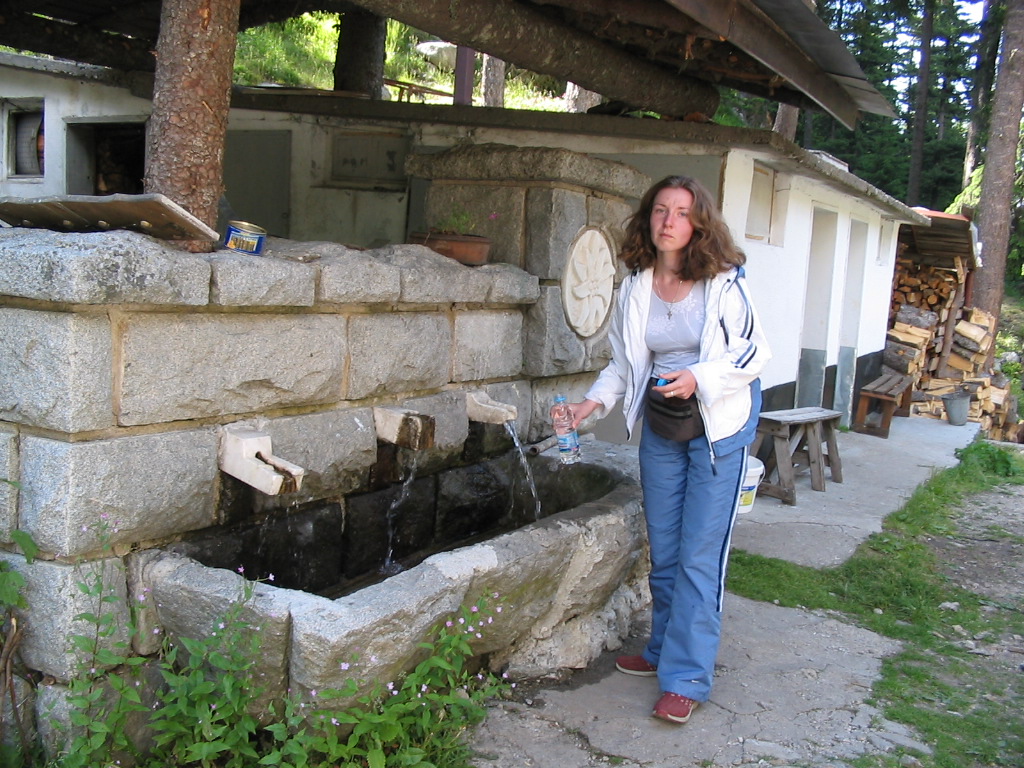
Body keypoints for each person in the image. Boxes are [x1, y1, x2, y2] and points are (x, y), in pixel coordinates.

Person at [555, 175, 771, 724]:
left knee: (700, 555)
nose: (668, 221)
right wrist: (589, 406)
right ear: (647, 219)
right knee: (666, 549)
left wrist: (699, 376)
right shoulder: (636, 287)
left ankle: (687, 677)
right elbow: (625, 364)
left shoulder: (723, 284)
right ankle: (661, 650)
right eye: (660, 210)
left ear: (699, 223)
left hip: (719, 428)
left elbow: (754, 354)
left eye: (681, 212)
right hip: (664, 426)